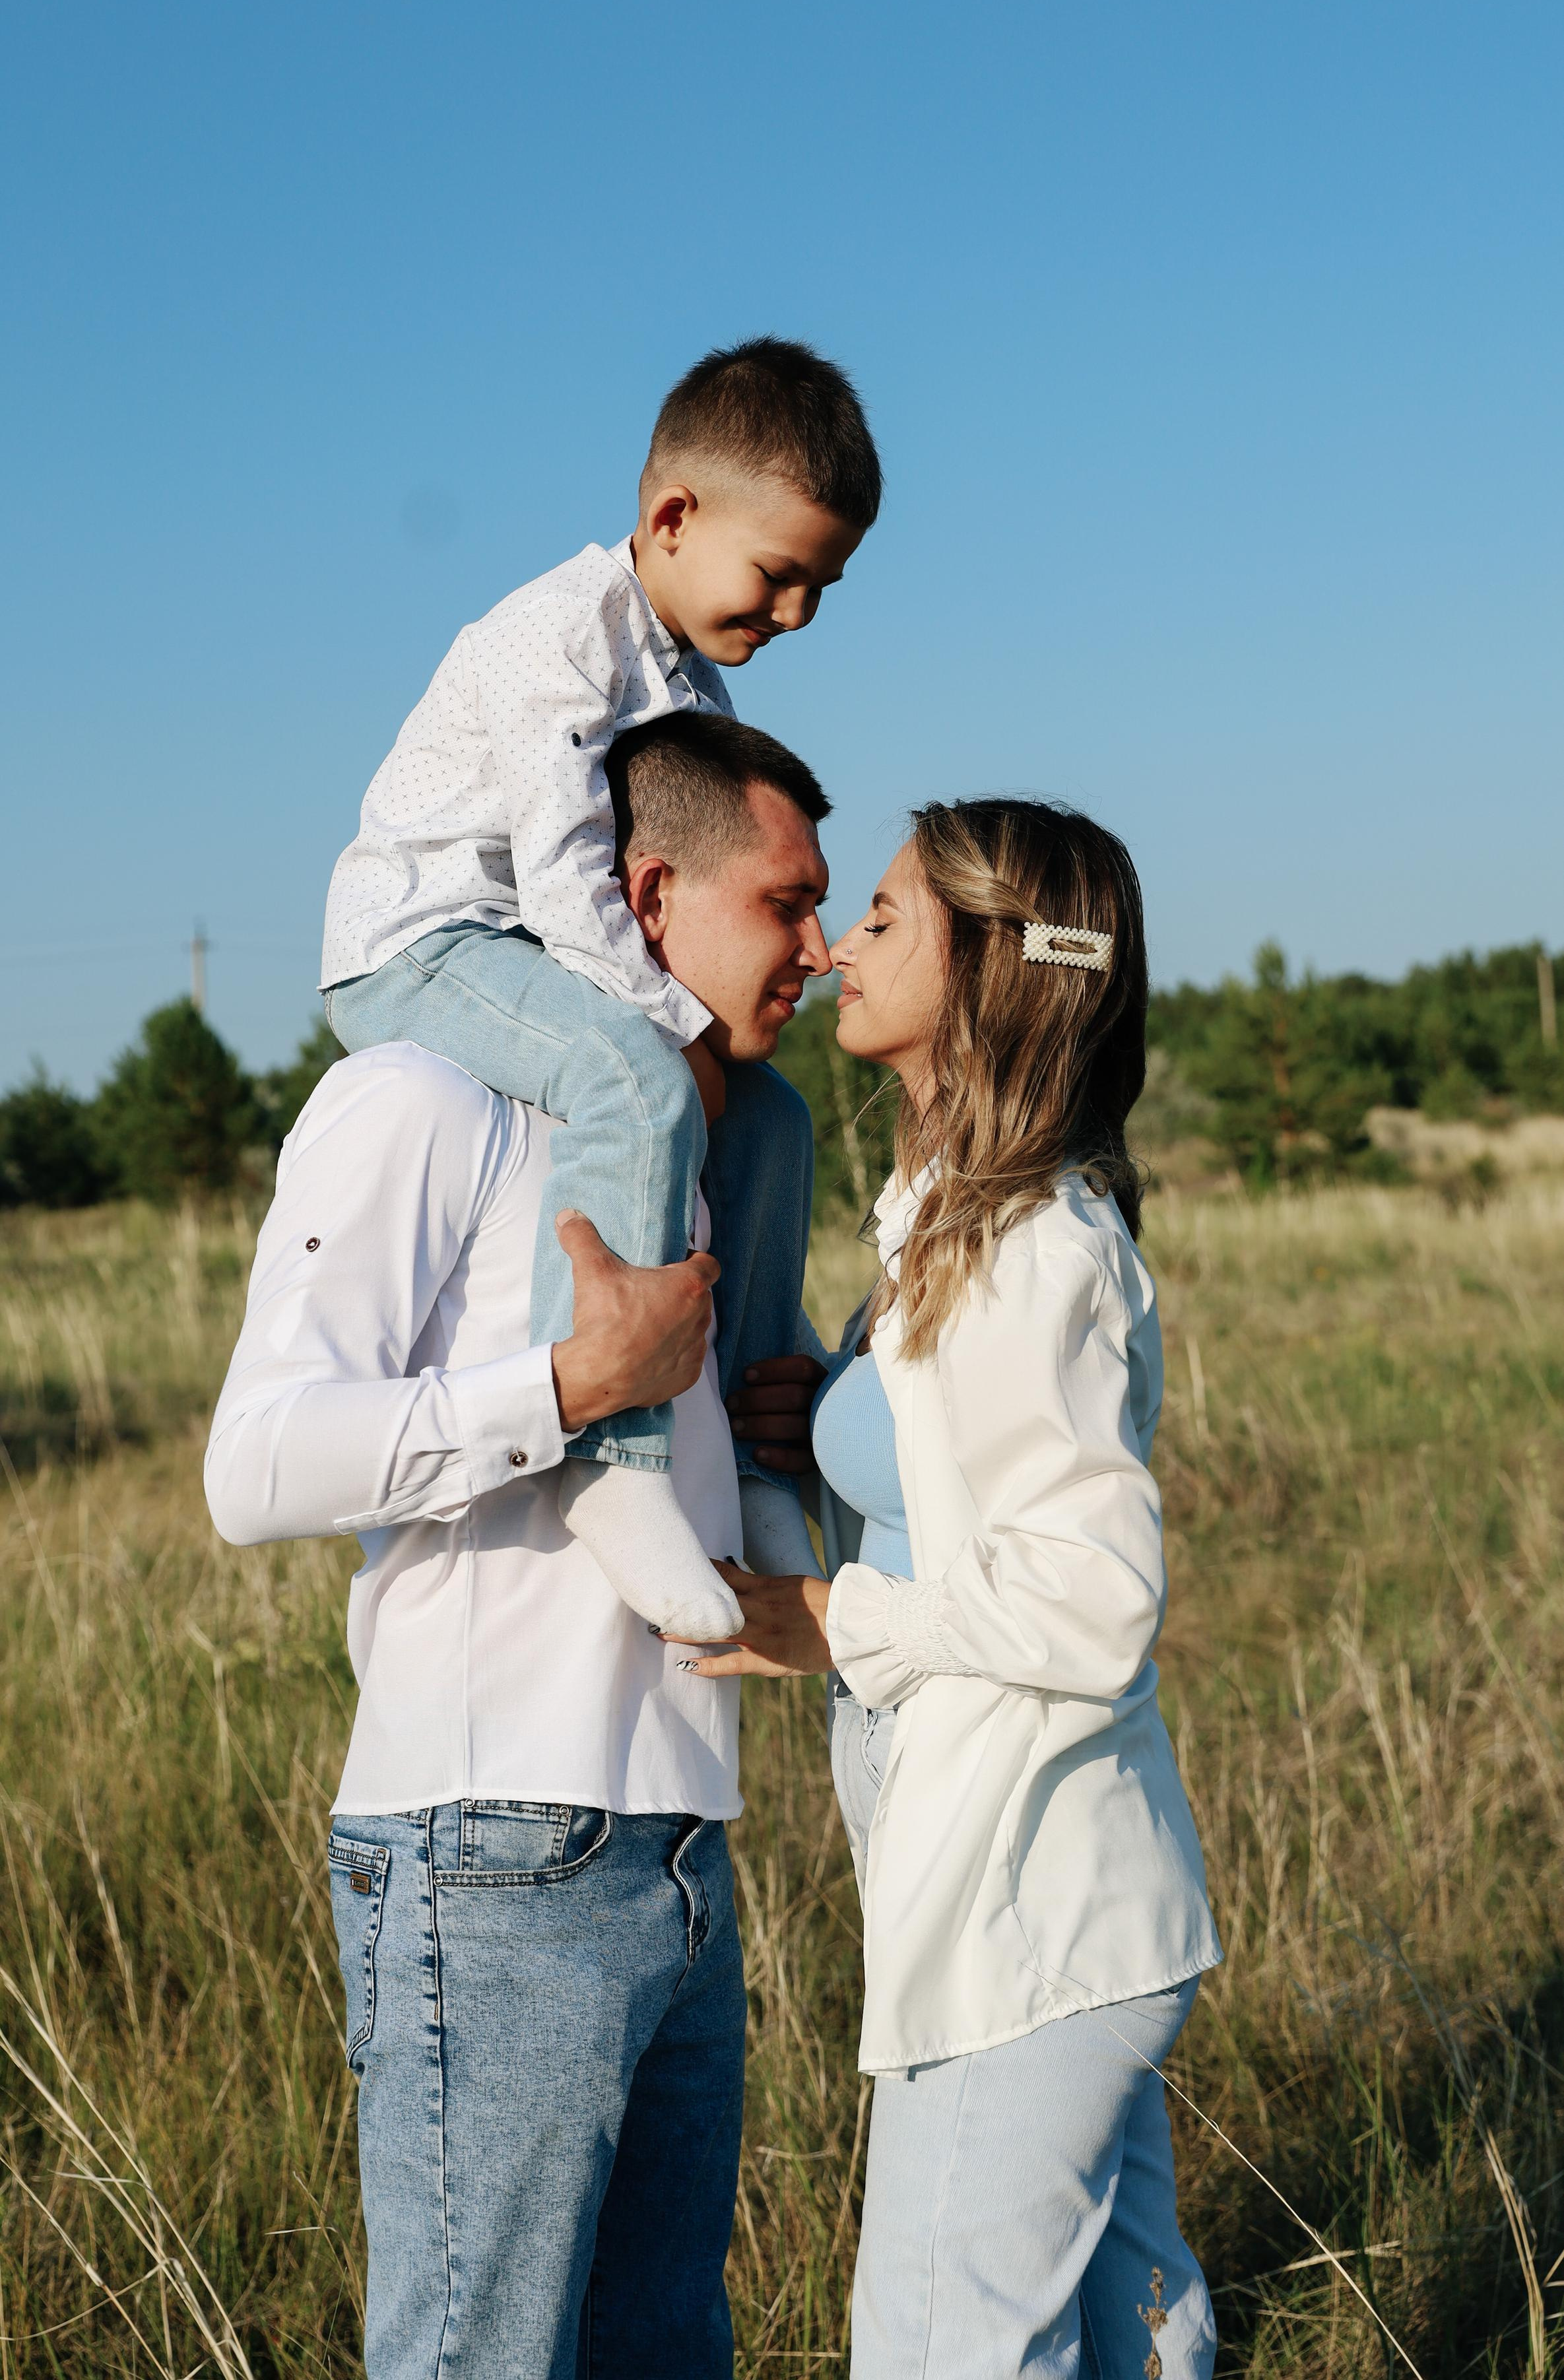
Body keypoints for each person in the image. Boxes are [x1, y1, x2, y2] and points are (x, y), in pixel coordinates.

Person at [205, 713, 834, 2380]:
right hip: (488, 1851)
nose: (822, 948)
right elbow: (253, 1462)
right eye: (788, 902)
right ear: (648, 895)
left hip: (690, 1842)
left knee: (665, 2351)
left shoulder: (745, 1150)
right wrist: (566, 1386)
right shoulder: (426, 1098)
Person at [694, 797, 1222, 2379]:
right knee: (1138, 2326)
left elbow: (1090, 1600)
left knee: (941, 2346)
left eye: (885, 914)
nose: (841, 942)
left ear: (994, 965)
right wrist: (837, 1427)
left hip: (1025, 1903)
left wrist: (829, 1621)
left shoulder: (1029, 1243)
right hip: (1037, 1887)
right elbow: (973, 1515)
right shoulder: (952, 1219)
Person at [319, 338, 878, 1639]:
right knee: (628, 1071)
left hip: (534, 949)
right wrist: (674, 1024)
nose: (795, 611)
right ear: (672, 516)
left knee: (779, 1116)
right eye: (780, 573)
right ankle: (613, 1465)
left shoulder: (689, 679)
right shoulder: (556, 641)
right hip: (426, 939)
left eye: (822, 587)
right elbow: (575, 887)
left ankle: (743, 1449)